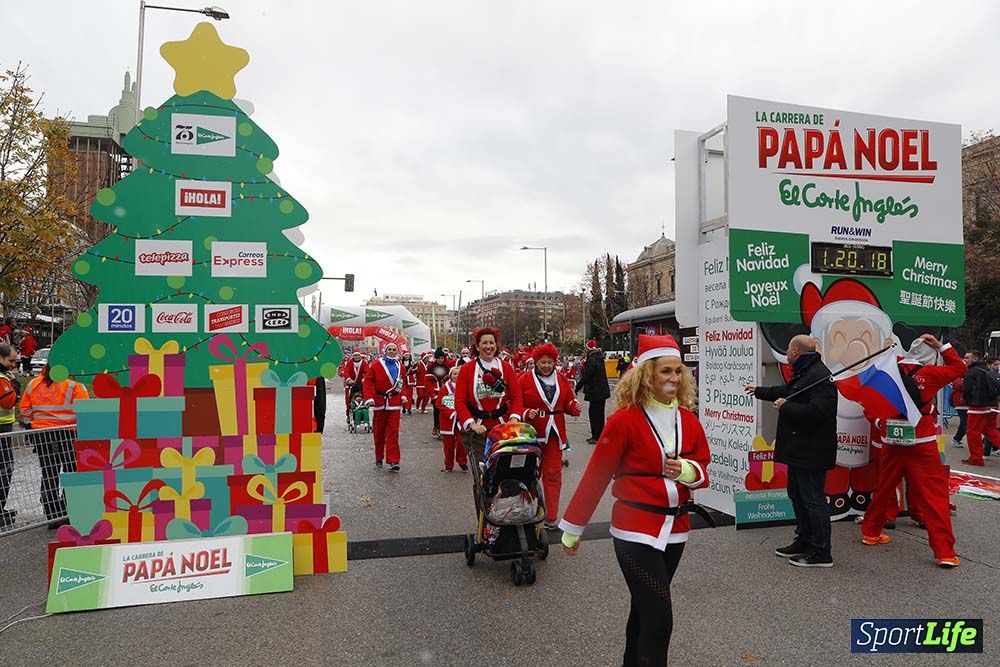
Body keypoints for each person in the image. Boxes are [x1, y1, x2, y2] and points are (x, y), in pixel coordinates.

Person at [560, 334, 711, 666]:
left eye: (678, 371)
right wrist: (572, 529)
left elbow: (703, 467)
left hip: (676, 528)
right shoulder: (624, 420)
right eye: (665, 372)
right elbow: (597, 475)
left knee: (643, 611)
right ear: (646, 375)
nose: (674, 378)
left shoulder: (688, 419)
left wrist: (687, 470)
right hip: (634, 529)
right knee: (659, 619)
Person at [859, 334, 966, 567]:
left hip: (891, 440)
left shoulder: (889, 370)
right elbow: (960, 368)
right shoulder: (930, 374)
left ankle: (870, 532)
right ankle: (945, 552)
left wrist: (879, 423)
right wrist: (943, 346)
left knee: (884, 486)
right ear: (931, 357)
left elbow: (867, 398)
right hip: (922, 442)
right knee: (934, 496)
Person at [745, 335, 837, 567]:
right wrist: (759, 391)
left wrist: (787, 407)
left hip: (812, 451)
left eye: (788, 347)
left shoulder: (820, 377)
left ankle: (821, 552)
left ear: (795, 351)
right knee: (797, 496)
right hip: (798, 450)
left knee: (813, 501)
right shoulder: (805, 372)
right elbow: (787, 390)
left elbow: (819, 412)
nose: (786, 351)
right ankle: (804, 540)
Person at [519, 342, 581, 530]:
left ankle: (551, 516)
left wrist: (573, 407)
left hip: (554, 433)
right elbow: (513, 405)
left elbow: (568, 402)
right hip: (531, 432)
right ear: (536, 362)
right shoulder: (523, 379)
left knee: (553, 474)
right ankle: (523, 511)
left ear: (555, 362)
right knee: (527, 474)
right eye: (542, 362)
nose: (546, 365)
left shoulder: (561, 378)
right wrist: (525, 412)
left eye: (550, 362)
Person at [19, 364, 89, 528]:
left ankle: (52, 515)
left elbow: (25, 410)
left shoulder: (34, 384)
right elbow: (84, 411)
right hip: (68, 434)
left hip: (42, 435)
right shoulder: (74, 385)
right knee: (72, 473)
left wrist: (33, 425)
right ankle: (69, 511)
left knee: (49, 473)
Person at [455, 327, 523, 466]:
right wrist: (471, 424)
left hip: (502, 426)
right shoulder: (467, 369)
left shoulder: (506, 367)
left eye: (491, 343)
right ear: (477, 346)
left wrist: (514, 418)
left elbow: (516, 396)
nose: (488, 346)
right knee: (483, 473)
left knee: (504, 471)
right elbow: (460, 401)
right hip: (478, 429)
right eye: (484, 343)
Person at [362, 343, 409, 471]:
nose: (392, 351)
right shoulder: (377, 365)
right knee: (379, 432)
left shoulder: (400, 367)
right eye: (390, 349)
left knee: (393, 432)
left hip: (394, 402)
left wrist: (403, 395)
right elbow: (367, 382)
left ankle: (393, 460)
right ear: (385, 351)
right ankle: (379, 457)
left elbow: (402, 384)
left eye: (394, 349)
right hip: (379, 402)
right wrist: (369, 398)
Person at [961, 350, 1000, 466]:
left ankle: (976, 458)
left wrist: (968, 401)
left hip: (977, 407)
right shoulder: (988, 370)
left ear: (975, 358)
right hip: (992, 405)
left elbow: (967, 390)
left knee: (973, 432)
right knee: (991, 431)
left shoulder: (971, 372)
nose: (965, 360)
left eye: (967, 358)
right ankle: (977, 457)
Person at [0, 344, 21, 528]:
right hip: (2, 429)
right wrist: (16, 390)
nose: (14, 365)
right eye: (11, 361)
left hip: (4, 428)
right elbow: (8, 403)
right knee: (5, 469)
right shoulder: (2, 379)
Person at [576, 339, 610, 444]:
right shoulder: (599, 358)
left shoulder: (592, 360)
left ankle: (596, 436)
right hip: (602, 391)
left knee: (594, 414)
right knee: (600, 414)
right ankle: (599, 434)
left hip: (595, 391)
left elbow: (587, 376)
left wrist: (578, 386)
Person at [435, 366, 467, 472]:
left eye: (459, 373)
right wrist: (451, 413)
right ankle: (448, 464)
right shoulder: (445, 388)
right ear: (450, 375)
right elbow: (439, 404)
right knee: (448, 445)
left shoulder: (466, 387)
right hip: (448, 421)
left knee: (462, 443)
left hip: (462, 419)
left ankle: (462, 461)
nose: (457, 376)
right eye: (455, 374)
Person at [424, 348, 452, 437]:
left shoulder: (446, 367)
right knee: (437, 411)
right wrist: (432, 395)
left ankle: (444, 427)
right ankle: (437, 426)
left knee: (446, 410)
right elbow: (428, 382)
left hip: (445, 392)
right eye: (439, 358)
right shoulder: (431, 368)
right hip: (435, 393)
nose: (440, 360)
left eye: (442, 358)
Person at [342, 350, 369, 417]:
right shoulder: (349, 363)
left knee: (363, 397)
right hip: (351, 384)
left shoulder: (364, 363)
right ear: (353, 356)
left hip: (361, 384)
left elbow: (367, 372)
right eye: (355, 355)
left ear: (360, 356)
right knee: (349, 400)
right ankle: (349, 414)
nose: (357, 357)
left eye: (358, 355)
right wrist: (349, 379)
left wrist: (364, 378)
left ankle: (363, 413)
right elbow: (346, 372)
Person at [400, 351, 416, 416]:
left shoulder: (412, 363)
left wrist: (413, 370)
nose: (407, 356)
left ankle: (409, 408)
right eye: (406, 355)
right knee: (403, 394)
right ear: (403, 356)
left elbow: (415, 371)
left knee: (409, 395)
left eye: (408, 355)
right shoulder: (400, 363)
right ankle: (404, 407)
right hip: (403, 380)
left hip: (410, 380)